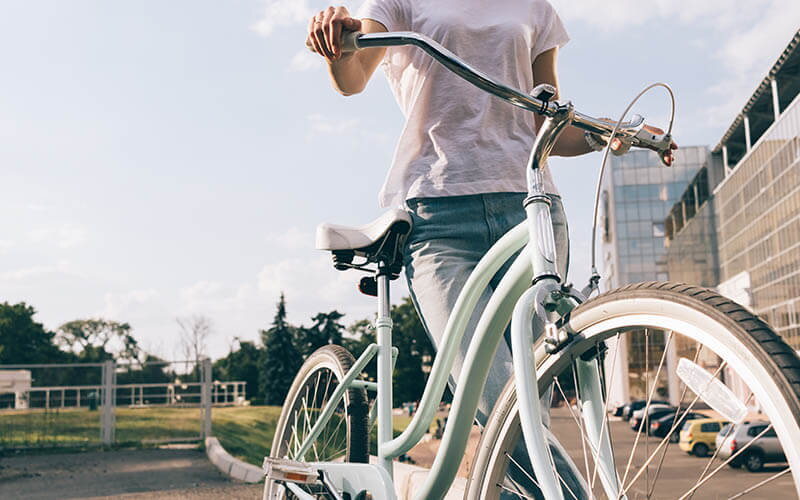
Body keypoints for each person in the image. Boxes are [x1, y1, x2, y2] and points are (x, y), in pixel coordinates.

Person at [306, 2, 675, 494]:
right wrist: (337, 48)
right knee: (500, 396)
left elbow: (544, 120)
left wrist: (604, 134)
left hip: (532, 208)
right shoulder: (398, 3)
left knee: (531, 399)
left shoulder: (534, 8)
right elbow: (352, 78)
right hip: (439, 217)